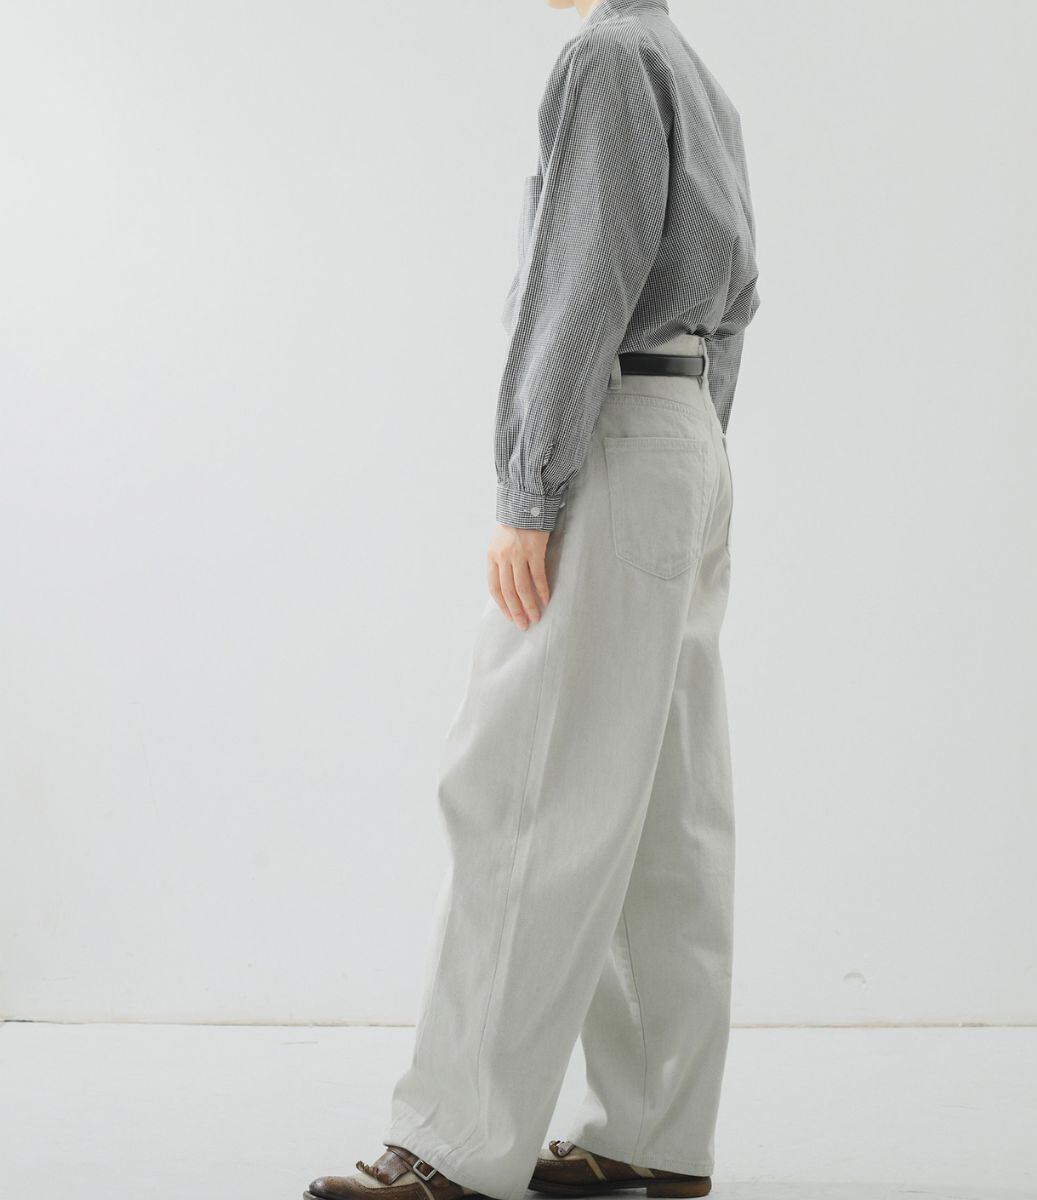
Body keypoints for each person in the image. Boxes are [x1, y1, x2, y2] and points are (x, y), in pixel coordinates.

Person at [306, 0, 758, 1196]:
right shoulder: (691, 70)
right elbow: (739, 298)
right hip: (687, 432)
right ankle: (652, 1136)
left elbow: (582, 284)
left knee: (522, 792)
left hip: (616, 433)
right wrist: (691, 456)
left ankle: (451, 1148)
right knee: (667, 808)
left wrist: (532, 484)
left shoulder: (609, 55)